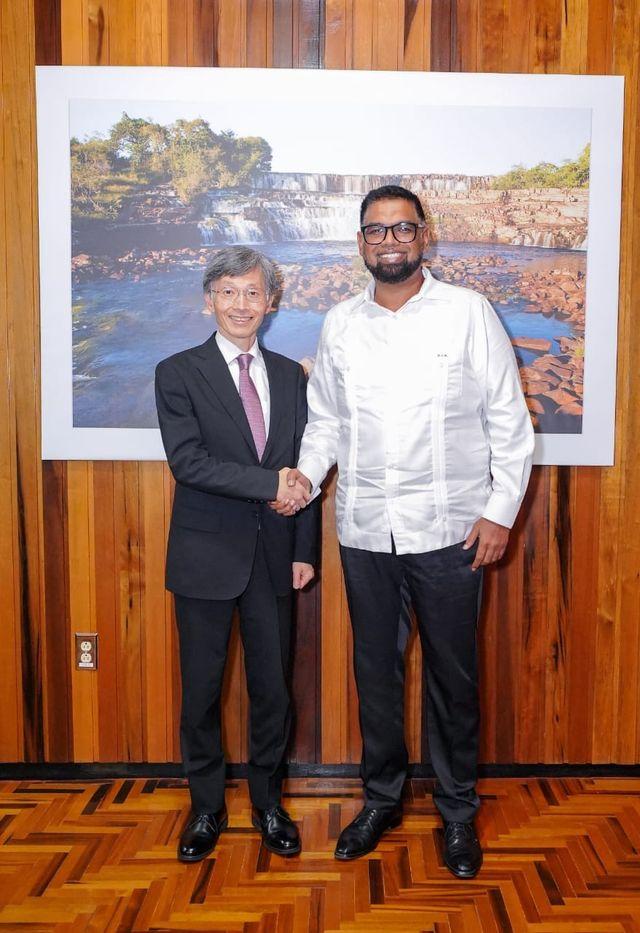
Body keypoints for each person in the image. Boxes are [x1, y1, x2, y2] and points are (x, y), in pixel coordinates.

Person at [282, 185, 534, 877]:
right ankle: (382, 799)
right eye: (375, 230)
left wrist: (499, 512)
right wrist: (304, 478)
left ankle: (457, 813)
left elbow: (508, 420)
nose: (388, 241)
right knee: (377, 675)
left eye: (401, 228)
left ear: (424, 235)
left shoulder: (468, 313)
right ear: (361, 242)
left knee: (454, 679)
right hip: (365, 530)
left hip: (452, 531)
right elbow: (326, 421)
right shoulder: (340, 322)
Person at [155, 246, 317, 863]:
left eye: (253, 292)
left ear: (270, 302)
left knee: (272, 691)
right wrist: (269, 483)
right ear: (209, 300)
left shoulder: (290, 376)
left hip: (275, 558)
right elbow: (188, 463)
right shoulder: (177, 372)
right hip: (204, 557)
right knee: (201, 692)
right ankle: (206, 808)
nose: (241, 304)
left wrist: (304, 549)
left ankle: (269, 804)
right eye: (228, 292)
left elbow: (303, 466)